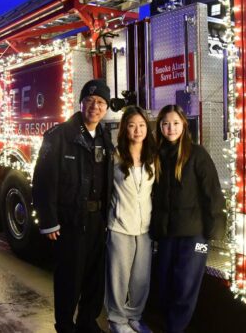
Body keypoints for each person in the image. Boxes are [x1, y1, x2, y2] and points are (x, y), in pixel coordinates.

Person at [32, 79, 114, 333]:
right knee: (70, 277)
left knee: (94, 277)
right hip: (70, 221)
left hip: (97, 219)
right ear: (81, 103)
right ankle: (65, 325)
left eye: (101, 102)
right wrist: (48, 220)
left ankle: (87, 322)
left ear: (106, 107)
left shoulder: (104, 137)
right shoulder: (59, 136)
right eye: (90, 101)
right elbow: (42, 180)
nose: (95, 107)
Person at [151, 104, 225, 333]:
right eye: (165, 123)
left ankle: (175, 329)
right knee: (164, 285)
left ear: (184, 124)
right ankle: (168, 325)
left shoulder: (197, 154)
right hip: (167, 235)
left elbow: (212, 193)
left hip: (196, 237)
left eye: (175, 123)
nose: (170, 128)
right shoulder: (156, 156)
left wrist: (213, 233)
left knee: (186, 286)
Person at [105, 106, 156, 333]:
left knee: (141, 278)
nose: (137, 130)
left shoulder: (153, 157)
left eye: (142, 125)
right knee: (118, 277)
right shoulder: (114, 156)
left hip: (145, 228)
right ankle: (117, 320)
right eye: (132, 125)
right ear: (125, 128)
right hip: (120, 226)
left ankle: (134, 316)